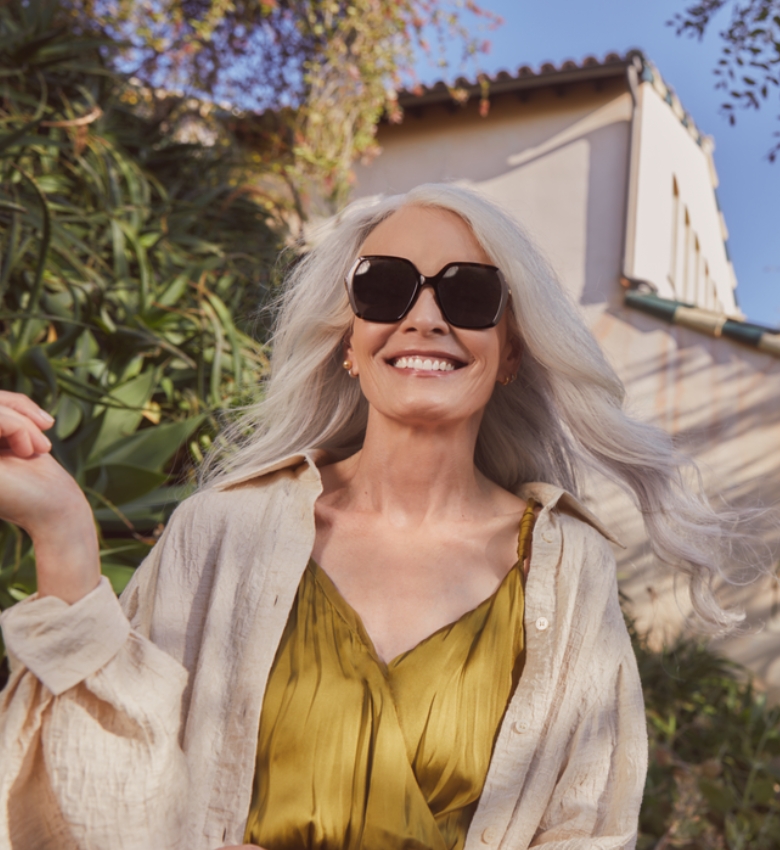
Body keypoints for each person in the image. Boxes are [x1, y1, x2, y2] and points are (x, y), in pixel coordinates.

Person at [0, 184, 739, 850]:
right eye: (384, 288)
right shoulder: (221, 532)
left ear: (510, 349)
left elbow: (587, 831)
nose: (423, 318)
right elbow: (104, 800)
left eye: (469, 295)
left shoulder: (568, 567)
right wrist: (62, 531)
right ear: (349, 343)